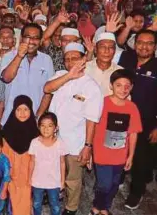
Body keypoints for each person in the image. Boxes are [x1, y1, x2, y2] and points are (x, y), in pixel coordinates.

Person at [43, 42, 103, 215]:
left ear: (84, 59)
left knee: (73, 179)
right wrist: (69, 76)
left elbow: (92, 120)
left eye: (75, 58)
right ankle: (53, 194)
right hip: (52, 138)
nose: (70, 62)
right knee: (52, 171)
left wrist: (88, 146)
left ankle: (71, 207)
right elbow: (47, 88)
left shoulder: (91, 86)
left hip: (75, 141)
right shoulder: (61, 74)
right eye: (67, 59)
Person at [118, 29, 157, 209]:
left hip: (145, 122)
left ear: (155, 47)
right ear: (135, 43)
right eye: (140, 42)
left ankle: (136, 193)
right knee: (118, 151)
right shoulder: (125, 59)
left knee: (141, 160)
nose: (144, 46)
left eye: (149, 43)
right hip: (120, 117)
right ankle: (117, 180)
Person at [91, 69, 142, 215]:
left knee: (114, 184)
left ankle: (105, 207)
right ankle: (96, 207)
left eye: (127, 86)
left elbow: (133, 133)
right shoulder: (101, 103)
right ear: (111, 85)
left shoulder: (132, 108)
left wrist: (130, 156)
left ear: (131, 87)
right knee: (104, 184)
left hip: (120, 155)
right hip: (101, 153)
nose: (123, 89)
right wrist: (88, 149)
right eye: (119, 85)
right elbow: (91, 127)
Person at [0, 23, 55, 126]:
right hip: (10, 119)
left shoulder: (46, 60)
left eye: (36, 38)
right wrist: (19, 56)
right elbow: (7, 78)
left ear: (40, 40)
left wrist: (38, 116)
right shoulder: (8, 56)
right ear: (21, 38)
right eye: (28, 37)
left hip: (35, 121)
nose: (31, 41)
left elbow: (48, 92)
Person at [1, 95, 40, 215]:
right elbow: (3, 158)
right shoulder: (6, 133)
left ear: (31, 111)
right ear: (13, 111)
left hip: (28, 176)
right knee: (11, 202)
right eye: (18, 109)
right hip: (11, 176)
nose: (22, 113)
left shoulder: (36, 135)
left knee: (25, 201)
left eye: (26, 109)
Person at [29, 112, 67, 215]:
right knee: (36, 203)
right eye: (43, 125)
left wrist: (62, 181)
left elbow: (62, 163)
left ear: (56, 128)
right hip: (37, 180)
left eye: (50, 126)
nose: (46, 129)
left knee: (55, 205)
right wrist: (29, 178)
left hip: (54, 181)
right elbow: (32, 161)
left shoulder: (60, 143)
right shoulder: (34, 142)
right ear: (38, 127)